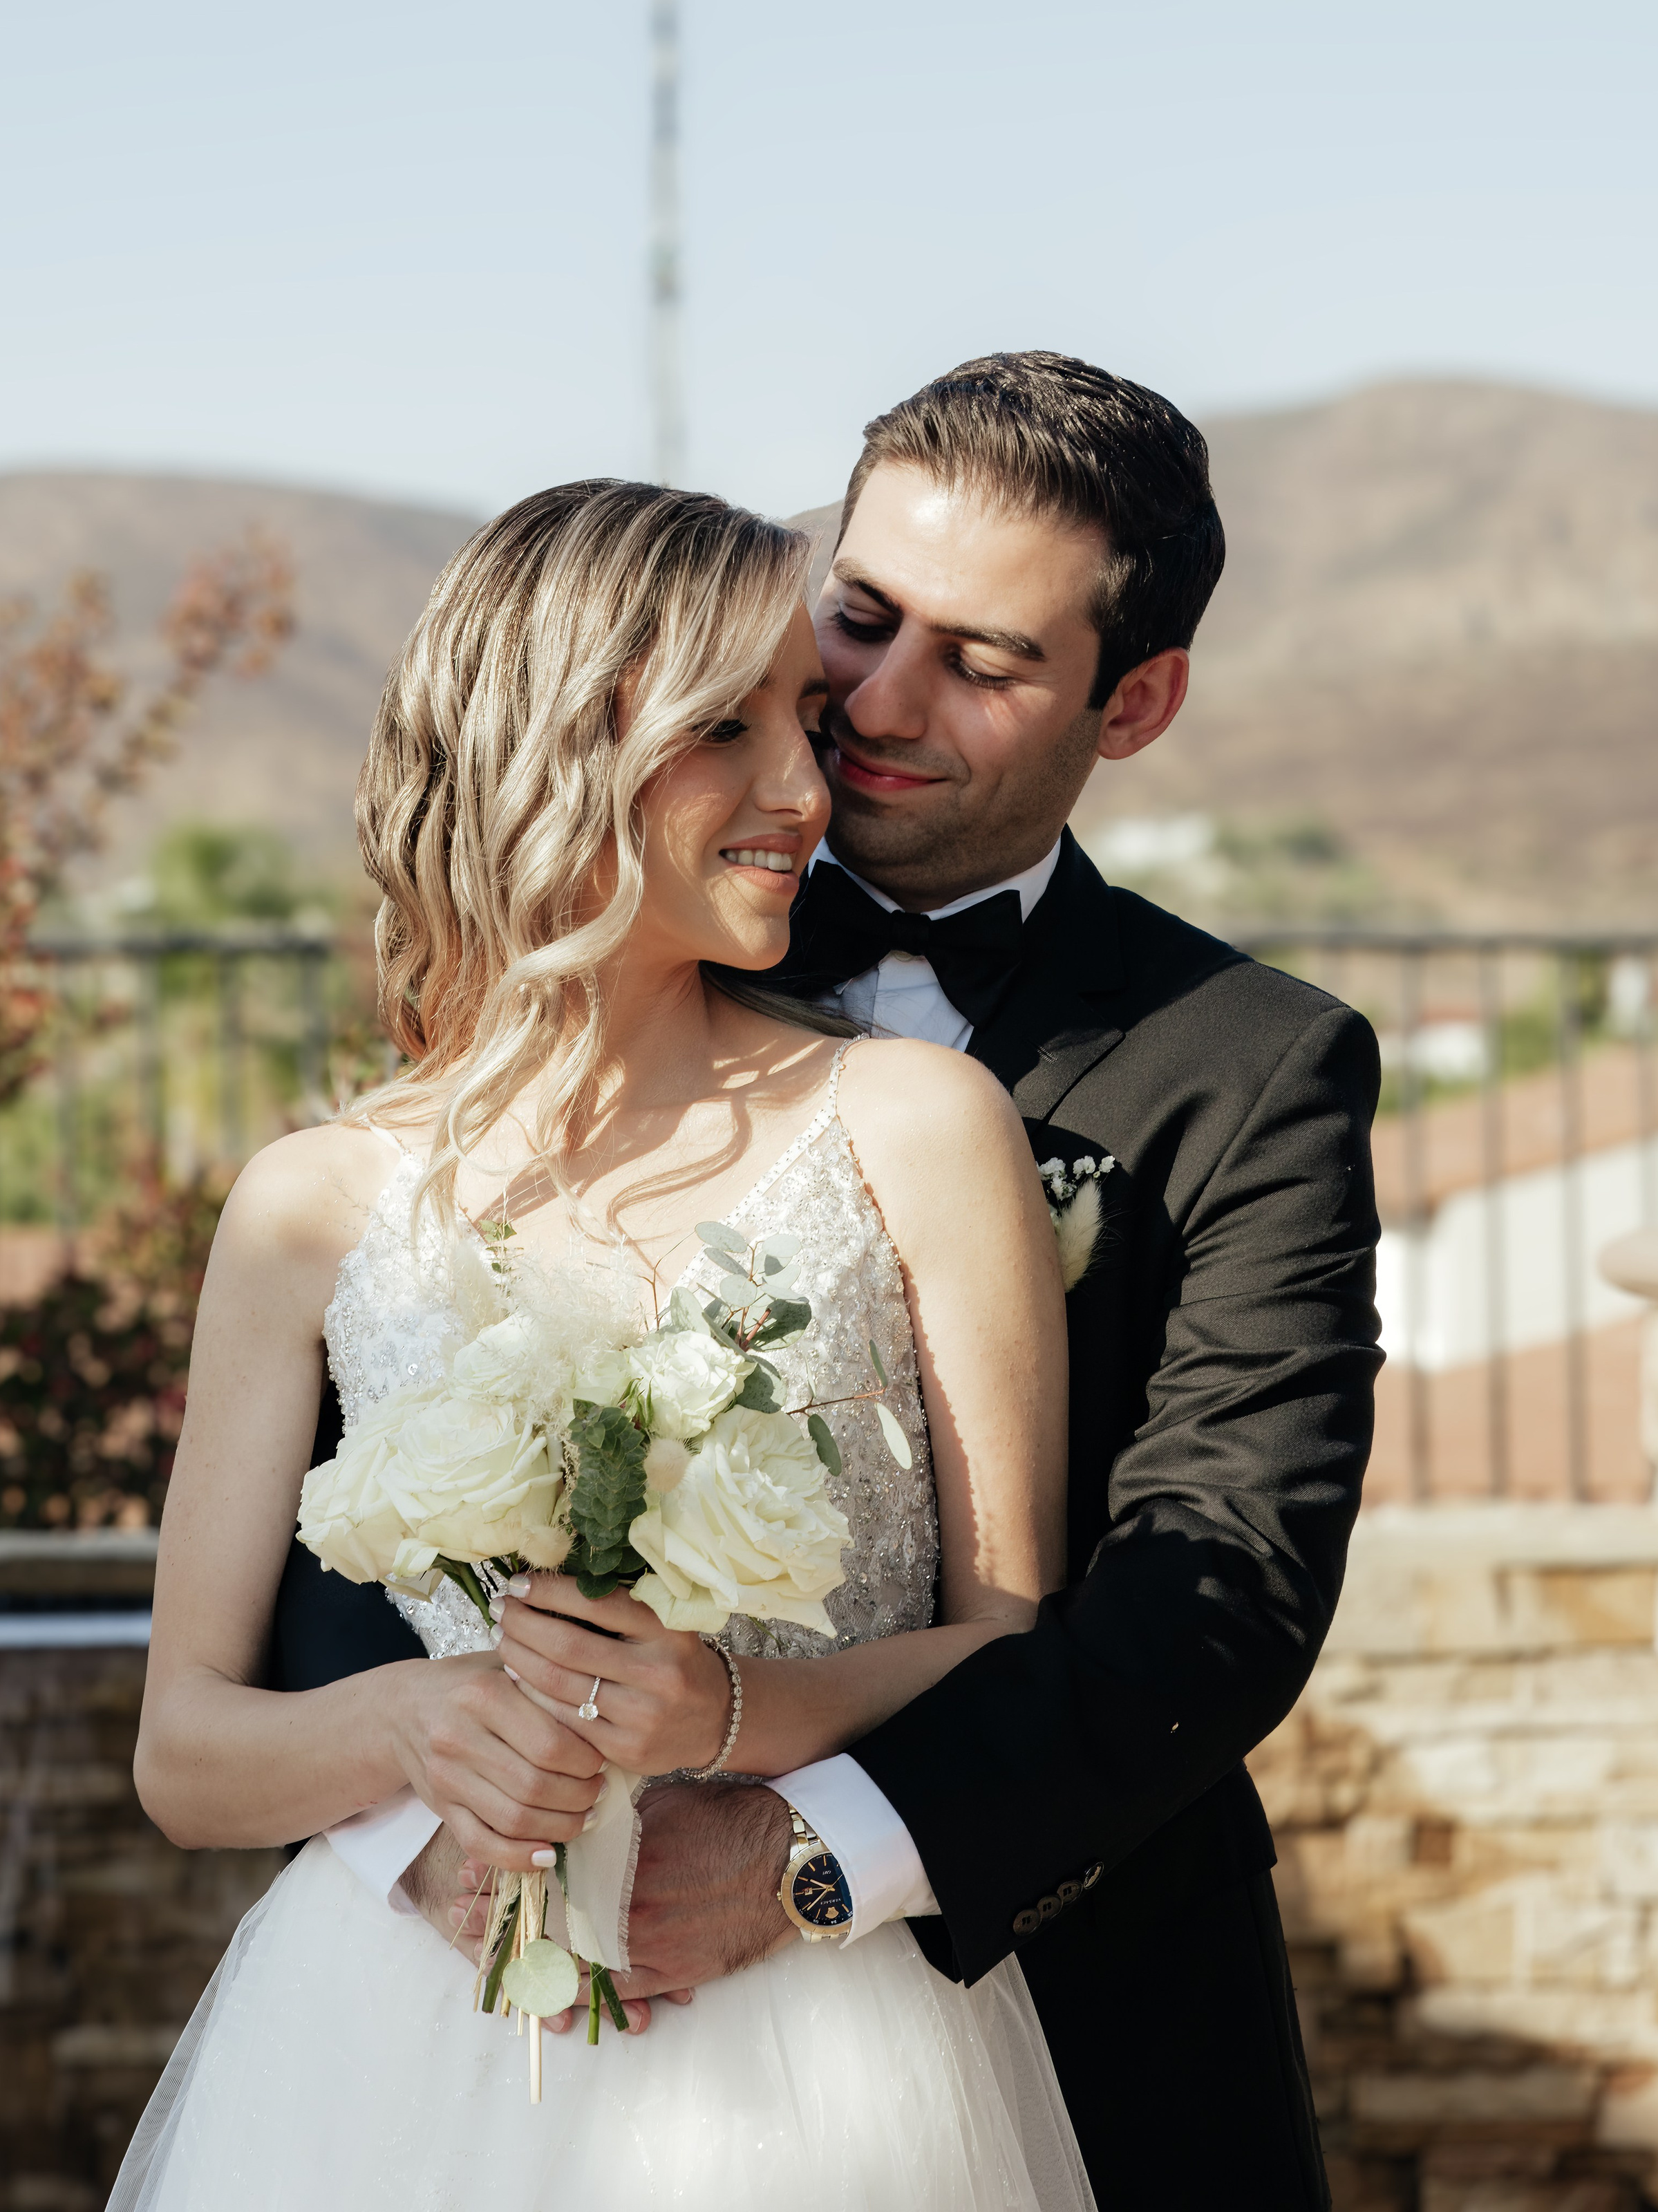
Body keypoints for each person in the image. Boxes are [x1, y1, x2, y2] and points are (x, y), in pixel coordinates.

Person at [455, 356, 1385, 2209]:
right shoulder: (599, 968)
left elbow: (1227, 1588)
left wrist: (820, 1854)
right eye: (859, 615)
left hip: (1078, 1969)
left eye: (983, 661)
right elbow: (372, 1435)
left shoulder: (1253, 1066)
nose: (876, 701)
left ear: (1138, 702)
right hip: (562, 1995)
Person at [110, 481, 1097, 2210]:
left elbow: (1013, 1646)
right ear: (553, 743)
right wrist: (419, 1733)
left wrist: (738, 1707)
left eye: (803, 716)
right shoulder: (307, 1207)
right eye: (725, 727)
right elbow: (185, 1750)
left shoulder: (916, 1126)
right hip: (396, 2053)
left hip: (823, 2058)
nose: (808, 789)